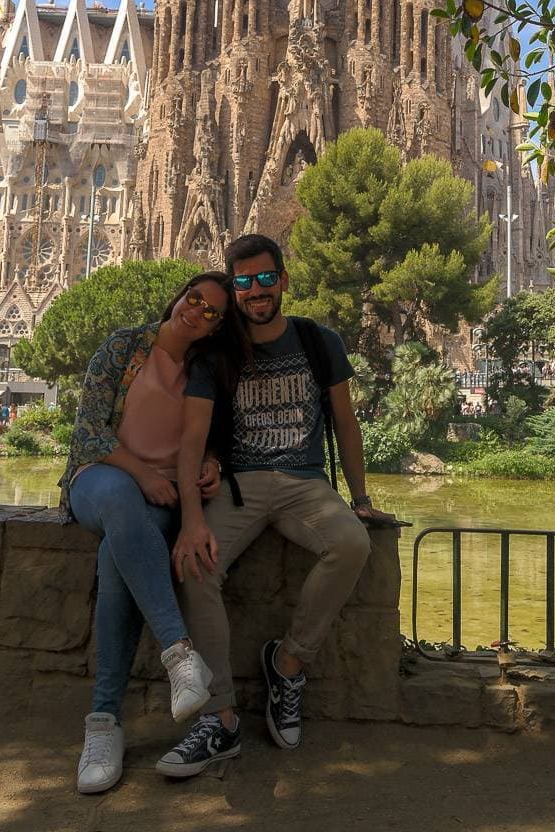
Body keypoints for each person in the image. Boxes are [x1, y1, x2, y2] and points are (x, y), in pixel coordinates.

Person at [157, 234, 393, 779]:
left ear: (283, 280)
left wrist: (360, 499)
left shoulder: (317, 340)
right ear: (233, 289)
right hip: (237, 486)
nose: (256, 291)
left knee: (351, 544)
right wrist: (192, 520)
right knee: (195, 569)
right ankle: (220, 719)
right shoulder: (217, 352)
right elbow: (192, 440)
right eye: (243, 282)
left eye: (265, 279)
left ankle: (287, 664)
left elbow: (345, 423)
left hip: (303, 484)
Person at [57, 271, 250, 795]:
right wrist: (139, 473)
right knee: (122, 503)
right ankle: (179, 655)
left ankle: (103, 724)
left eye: (212, 312)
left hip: (163, 497)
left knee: (124, 553)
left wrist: (209, 463)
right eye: (194, 300)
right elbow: (89, 431)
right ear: (179, 297)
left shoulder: (208, 370)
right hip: (99, 479)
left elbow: (212, 441)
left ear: (217, 327)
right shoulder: (124, 346)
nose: (197, 312)